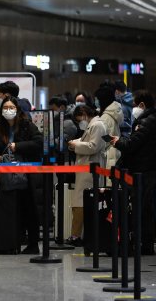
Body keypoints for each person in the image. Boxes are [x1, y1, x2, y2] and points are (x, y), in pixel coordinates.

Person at [0, 96, 43, 254]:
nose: (8, 110)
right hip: (6, 175)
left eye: (11, 107)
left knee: (29, 208)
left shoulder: (27, 125)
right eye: (5, 107)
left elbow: (39, 143)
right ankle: (11, 241)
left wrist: (17, 146)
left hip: (26, 174)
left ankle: (33, 244)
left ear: (17, 109)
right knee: (11, 208)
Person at [110, 90, 156, 255]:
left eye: (136, 105)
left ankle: (142, 244)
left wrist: (118, 142)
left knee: (141, 209)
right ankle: (146, 243)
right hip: (148, 169)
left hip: (142, 171)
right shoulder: (150, 120)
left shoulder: (146, 122)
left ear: (142, 105)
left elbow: (132, 144)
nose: (134, 108)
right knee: (146, 209)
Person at [66, 105, 106, 246]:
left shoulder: (97, 125)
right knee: (80, 202)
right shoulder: (93, 125)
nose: (80, 122)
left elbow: (93, 146)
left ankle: (77, 236)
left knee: (81, 203)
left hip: (90, 170)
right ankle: (77, 235)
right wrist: (76, 143)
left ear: (83, 114)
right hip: (86, 169)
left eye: (79, 119)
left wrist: (75, 145)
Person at [94, 82, 123, 172]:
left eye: (97, 99)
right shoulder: (114, 112)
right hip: (114, 152)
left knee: (109, 184)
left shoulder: (106, 117)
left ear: (103, 100)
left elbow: (104, 140)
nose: (96, 101)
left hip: (108, 155)